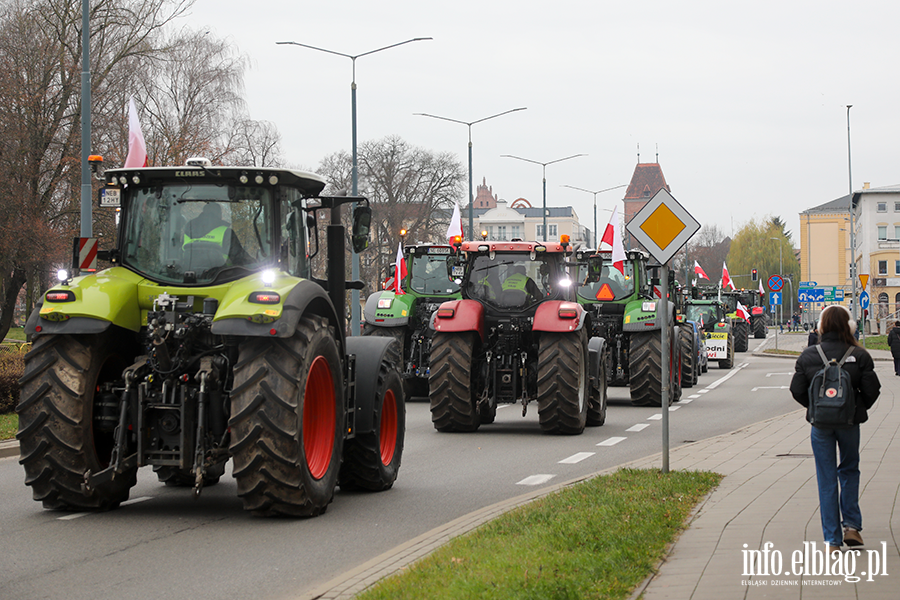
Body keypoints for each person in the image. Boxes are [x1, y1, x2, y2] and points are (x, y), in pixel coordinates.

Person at [789, 304, 880, 555]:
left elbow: (797, 390)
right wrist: (854, 409)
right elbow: (872, 390)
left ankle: (832, 540)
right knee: (850, 469)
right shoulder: (859, 354)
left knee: (826, 477)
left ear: (821, 327)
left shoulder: (809, 355)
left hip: (820, 426)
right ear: (849, 326)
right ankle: (852, 526)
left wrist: (817, 408)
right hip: (849, 423)